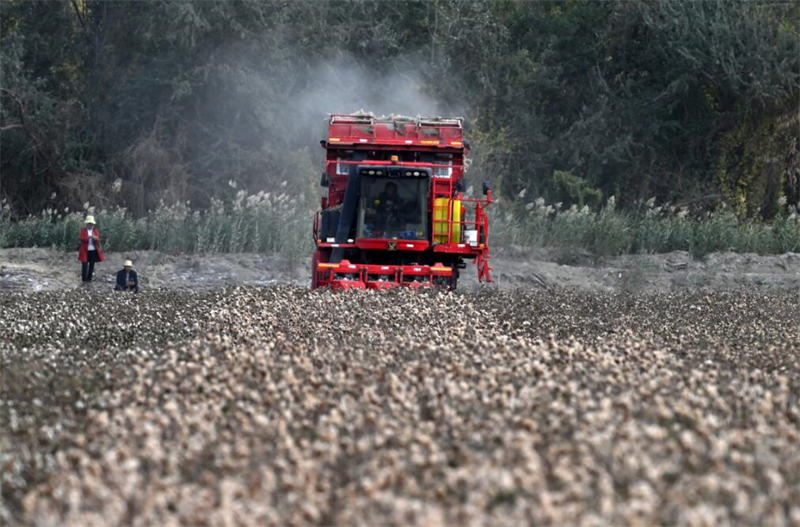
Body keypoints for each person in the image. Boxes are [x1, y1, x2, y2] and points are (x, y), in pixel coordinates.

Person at [78, 215, 105, 283]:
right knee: (84, 265)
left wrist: (95, 238)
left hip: (93, 250)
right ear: (87, 224)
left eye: (92, 224)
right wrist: (89, 237)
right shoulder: (83, 230)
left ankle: (89, 279)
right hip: (85, 250)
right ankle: (84, 279)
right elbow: (82, 239)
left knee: (91, 265)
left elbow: (98, 240)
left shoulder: (95, 231)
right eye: (89, 224)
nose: (91, 225)